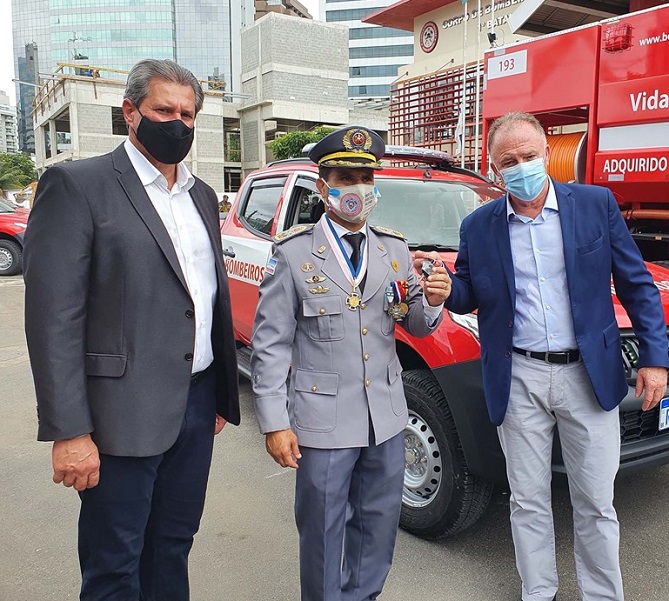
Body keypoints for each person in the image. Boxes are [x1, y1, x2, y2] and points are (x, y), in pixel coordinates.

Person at [419, 111, 669, 601]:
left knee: (596, 501)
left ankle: (602, 594)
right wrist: (446, 291)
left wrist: (655, 359)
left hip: (588, 375)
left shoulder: (595, 205)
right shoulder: (479, 226)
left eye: (529, 156)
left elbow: (637, 285)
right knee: (528, 499)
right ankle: (538, 591)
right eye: (508, 161)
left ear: (547, 153)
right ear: (494, 169)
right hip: (519, 377)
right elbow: (469, 293)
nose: (521, 168)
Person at [23, 59, 240, 601]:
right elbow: (54, 319)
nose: (178, 124)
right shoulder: (78, 185)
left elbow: (203, 297)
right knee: (115, 565)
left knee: (173, 546)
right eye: (164, 110)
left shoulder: (201, 195)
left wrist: (216, 393)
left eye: (187, 115)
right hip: (117, 416)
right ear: (130, 112)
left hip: (195, 406)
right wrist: (69, 431)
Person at [251, 125, 451, 601]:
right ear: (324, 187)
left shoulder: (393, 249)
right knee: (322, 530)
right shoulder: (294, 253)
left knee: (378, 526)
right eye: (346, 178)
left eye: (366, 178)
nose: (358, 188)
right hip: (323, 421)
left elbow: (414, 322)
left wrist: (433, 300)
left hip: (385, 417)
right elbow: (271, 343)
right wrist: (275, 422)